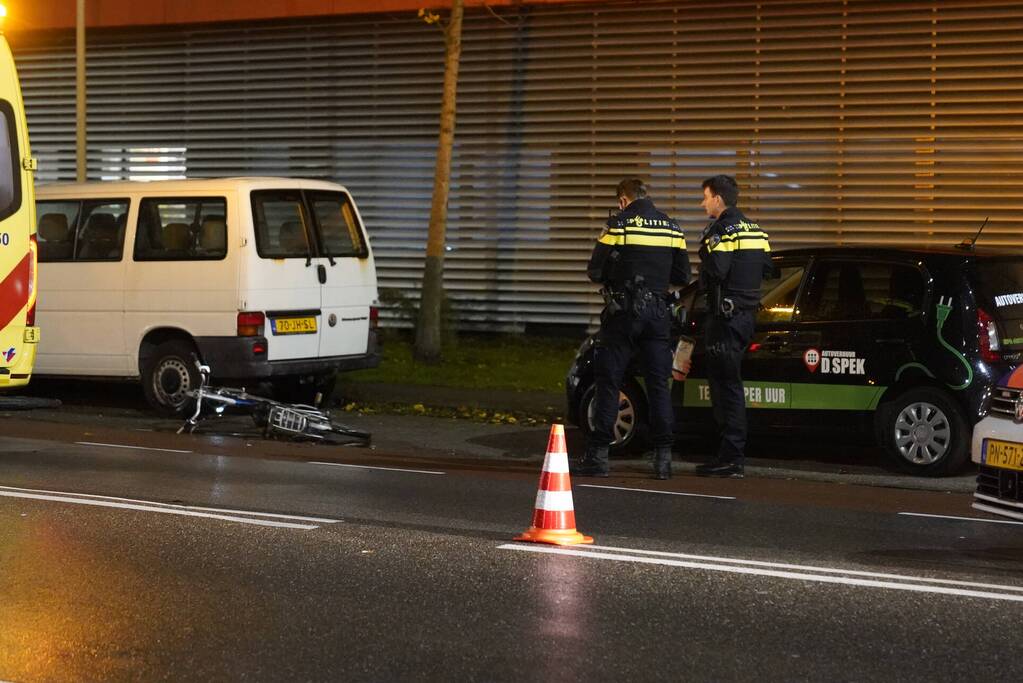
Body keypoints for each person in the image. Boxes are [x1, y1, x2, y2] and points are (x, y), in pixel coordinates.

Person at [573, 178, 691, 479]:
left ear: (623, 200)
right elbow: (682, 274)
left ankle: (599, 457)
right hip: (657, 315)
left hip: (623, 314)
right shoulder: (672, 227)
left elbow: (595, 271)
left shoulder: (619, 224)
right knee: (658, 386)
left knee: (610, 380)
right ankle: (663, 461)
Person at [695, 175, 772, 478]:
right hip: (746, 316)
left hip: (725, 319)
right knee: (731, 384)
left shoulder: (721, 230)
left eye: (705, 196)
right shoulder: (756, 229)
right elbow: (768, 267)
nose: (703, 203)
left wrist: (706, 251)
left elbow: (716, 270)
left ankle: (731, 457)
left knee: (726, 388)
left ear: (718, 198)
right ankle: (729, 454)